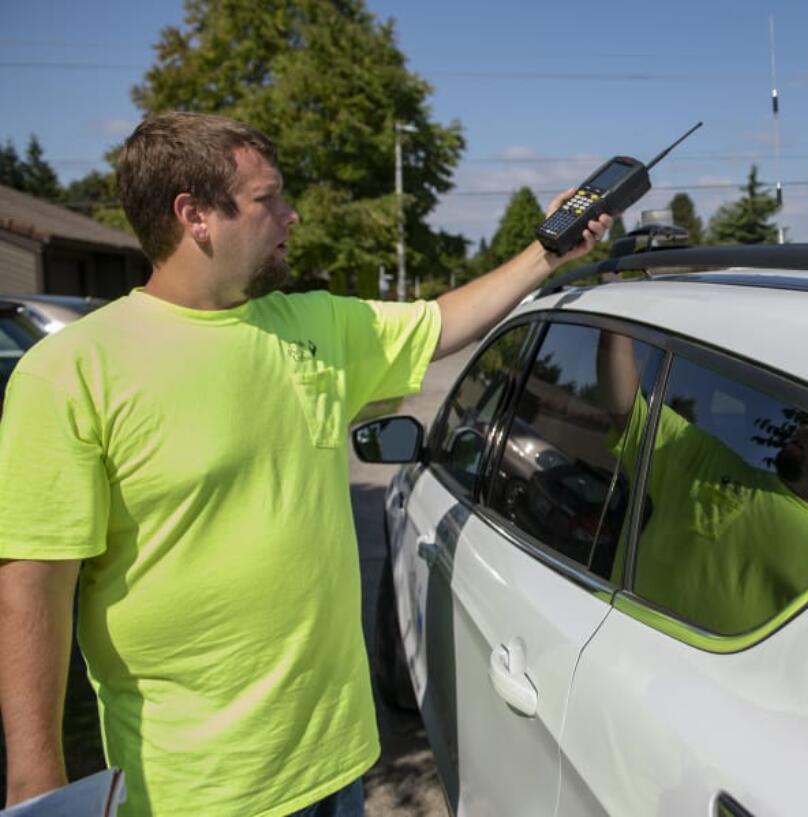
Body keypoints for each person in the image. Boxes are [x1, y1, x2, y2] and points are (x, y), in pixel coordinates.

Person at [0, 111, 610, 816]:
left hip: (337, 763)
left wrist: (548, 249)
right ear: (195, 215)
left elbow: (442, 321)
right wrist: (36, 785)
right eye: (267, 199)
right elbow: (33, 587)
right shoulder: (72, 372)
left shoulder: (313, 324)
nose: (291, 215)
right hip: (195, 793)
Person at [597, 330, 808, 634]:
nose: (806, 431)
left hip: (682, 681)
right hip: (605, 641)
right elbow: (628, 410)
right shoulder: (712, 464)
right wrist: (614, 330)